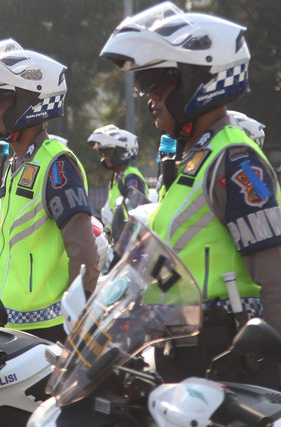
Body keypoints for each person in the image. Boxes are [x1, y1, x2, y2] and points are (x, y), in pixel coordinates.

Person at [101, 1, 281, 379]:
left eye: (155, 83)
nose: (147, 97)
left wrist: (273, 366)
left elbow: (275, 273)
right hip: (180, 352)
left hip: (226, 357)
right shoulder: (191, 160)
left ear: (200, 79)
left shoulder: (234, 160)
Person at [0, 39, 100, 342]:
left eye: (0, 98)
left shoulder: (56, 165)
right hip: (11, 321)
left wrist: (79, 316)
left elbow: (84, 251)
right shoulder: (16, 163)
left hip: (49, 327)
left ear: (30, 100)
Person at [88, 124, 148, 231]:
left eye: (107, 153)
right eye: (102, 153)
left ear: (122, 152)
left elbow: (138, 214)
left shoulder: (131, 177)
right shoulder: (117, 177)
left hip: (128, 239)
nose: (104, 157)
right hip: (116, 237)